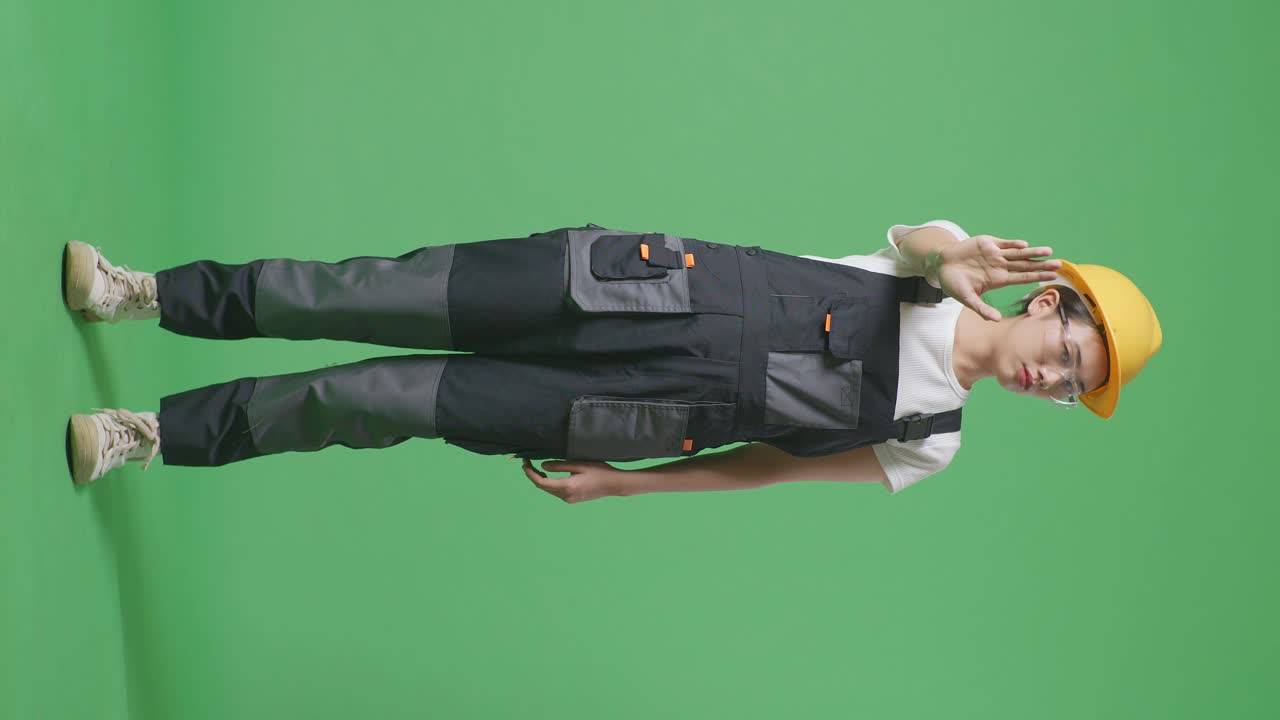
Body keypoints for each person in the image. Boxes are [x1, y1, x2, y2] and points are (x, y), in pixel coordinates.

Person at [61, 220, 1162, 501]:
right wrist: (952, 256)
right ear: (1045, 298)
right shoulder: (930, 263)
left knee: (380, 400)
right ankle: (142, 293)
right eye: (1064, 346)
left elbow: (768, 466)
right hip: (623, 284)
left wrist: (627, 484)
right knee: (366, 289)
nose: (1049, 375)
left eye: (1070, 384)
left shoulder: (929, 442)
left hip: (623, 411)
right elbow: (917, 245)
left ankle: (146, 436)